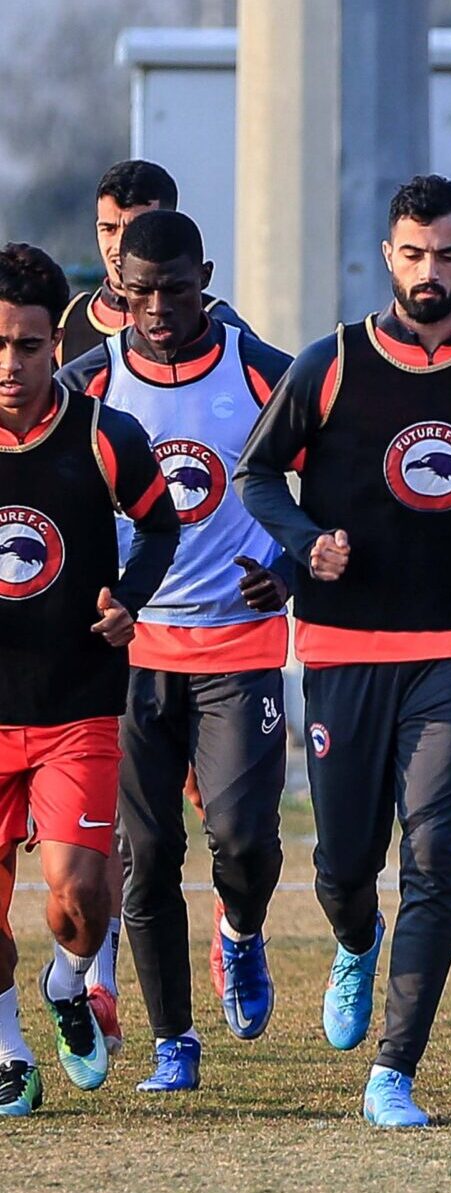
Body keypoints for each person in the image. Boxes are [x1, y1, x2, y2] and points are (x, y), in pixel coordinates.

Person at [235, 175, 451, 1127]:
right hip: (344, 645)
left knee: (432, 851)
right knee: (342, 863)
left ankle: (395, 1070)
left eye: (448, 256)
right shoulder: (330, 363)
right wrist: (304, 543)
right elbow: (256, 473)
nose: (431, 273)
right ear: (389, 256)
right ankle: (352, 939)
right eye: (414, 256)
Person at [57, 211, 293, 1093]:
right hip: (132, 655)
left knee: (243, 839)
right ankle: (173, 1045)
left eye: (177, 290)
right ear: (119, 290)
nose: (159, 309)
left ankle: (241, 935)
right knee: (146, 856)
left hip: (239, 644)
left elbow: (326, 479)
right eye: (140, 292)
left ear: (207, 277)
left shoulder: (262, 370)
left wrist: (288, 566)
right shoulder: (88, 386)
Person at [0, 242, 179, 1116]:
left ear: (53, 344)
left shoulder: (105, 434)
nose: (11, 364)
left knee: (77, 899)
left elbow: (160, 525)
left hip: (77, 706)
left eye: (28, 347)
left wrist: (129, 600)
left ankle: (70, 985)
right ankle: (8, 1052)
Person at [60, 160, 249, 365]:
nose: (119, 247)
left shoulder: (218, 325)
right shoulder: (68, 321)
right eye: (109, 229)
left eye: (136, 231)